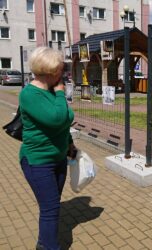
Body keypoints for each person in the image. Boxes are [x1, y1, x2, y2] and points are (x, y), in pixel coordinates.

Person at [19, 47, 76, 250]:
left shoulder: (51, 90)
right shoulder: (29, 94)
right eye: (61, 69)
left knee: (52, 205)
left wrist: (69, 142)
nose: (63, 74)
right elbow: (57, 118)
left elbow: (62, 125)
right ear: (51, 72)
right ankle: (48, 246)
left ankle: (43, 242)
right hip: (38, 162)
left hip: (59, 158)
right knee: (51, 209)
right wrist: (61, 94)